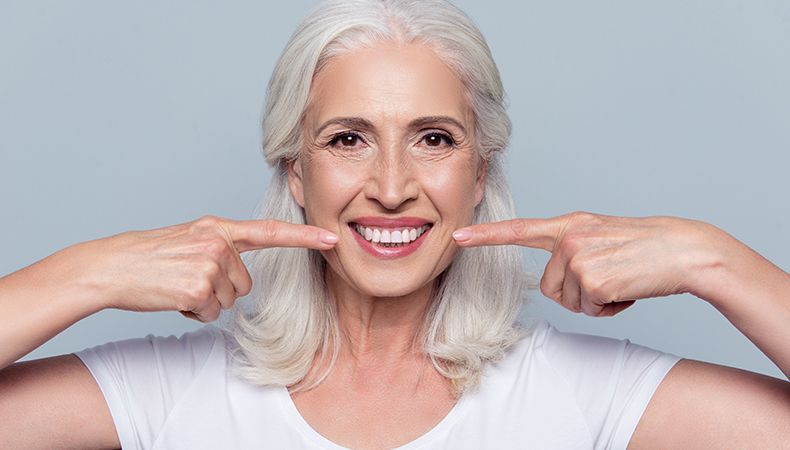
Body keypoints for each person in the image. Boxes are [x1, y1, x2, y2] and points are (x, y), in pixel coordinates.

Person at [1, 0, 788, 448]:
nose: (389, 187)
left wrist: (710, 259)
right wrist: (89, 273)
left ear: (479, 174)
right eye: (347, 139)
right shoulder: (169, 390)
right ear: (294, 172)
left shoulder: (585, 391)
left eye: (435, 140)